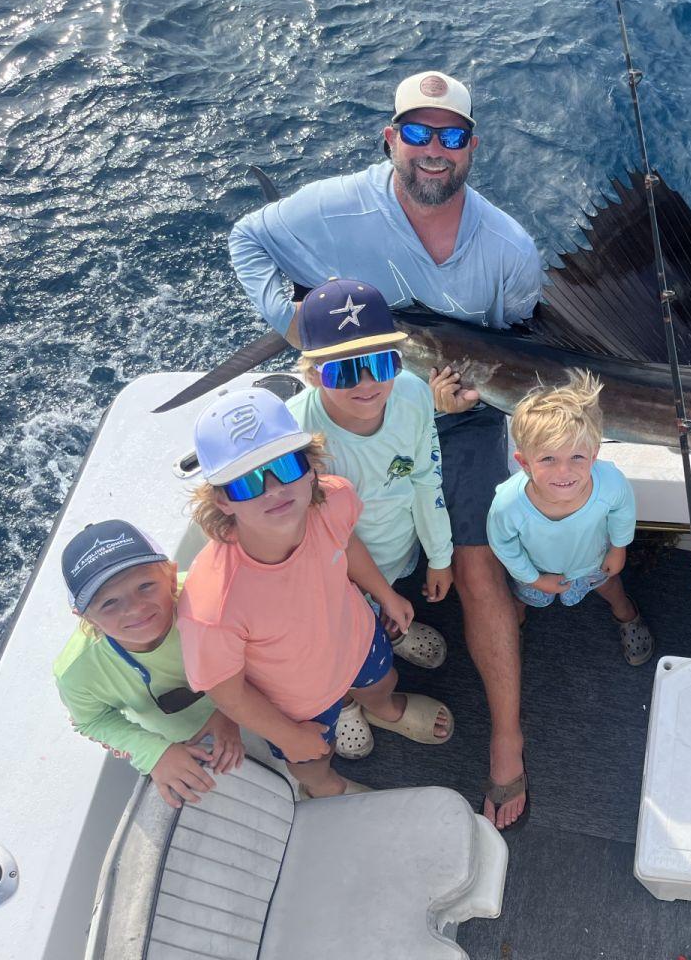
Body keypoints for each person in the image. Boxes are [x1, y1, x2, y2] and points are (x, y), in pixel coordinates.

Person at [228, 70, 540, 827]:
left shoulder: (509, 247)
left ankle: (507, 741)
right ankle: (365, 666)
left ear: (472, 147)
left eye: (453, 136)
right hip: (347, 398)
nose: (435, 150)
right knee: (318, 545)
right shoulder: (337, 204)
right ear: (391, 138)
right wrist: (301, 329)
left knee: (472, 564)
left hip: (456, 418)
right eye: (419, 133)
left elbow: (522, 346)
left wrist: (464, 407)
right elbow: (248, 238)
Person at [178, 387, 453, 798]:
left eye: (287, 465)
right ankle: (327, 788)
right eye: (248, 481)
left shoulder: (334, 499)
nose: (273, 489)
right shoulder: (211, 602)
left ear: (310, 467)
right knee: (311, 757)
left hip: (358, 641)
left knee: (383, 681)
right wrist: (287, 735)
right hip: (295, 704)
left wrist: (384, 594)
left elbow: (347, 545)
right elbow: (227, 692)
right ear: (222, 501)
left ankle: (383, 709)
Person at [287, 277, 453, 674]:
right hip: (334, 572)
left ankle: (389, 624)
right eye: (342, 372)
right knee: (344, 633)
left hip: (400, 549)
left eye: (381, 363)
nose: (366, 383)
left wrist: (440, 556)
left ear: (400, 360)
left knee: (385, 603)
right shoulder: (294, 432)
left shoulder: (413, 394)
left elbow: (426, 478)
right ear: (312, 375)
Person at [53, 520, 244, 808]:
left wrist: (230, 711)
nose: (134, 608)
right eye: (109, 603)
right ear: (86, 617)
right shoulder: (76, 672)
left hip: (251, 702)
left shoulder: (214, 594)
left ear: (170, 576)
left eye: (145, 586)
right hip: (189, 745)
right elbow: (91, 720)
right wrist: (155, 752)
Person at [487, 371, 652, 669]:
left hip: (595, 563)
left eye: (577, 457)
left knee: (611, 587)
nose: (564, 472)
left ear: (594, 453)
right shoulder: (507, 504)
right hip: (535, 571)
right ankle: (513, 631)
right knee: (521, 601)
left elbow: (623, 510)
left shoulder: (611, 482)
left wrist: (619, 547)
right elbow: (503, 545)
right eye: (548, 459)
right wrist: (534, 578)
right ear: (523, 462)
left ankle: (626, 613)